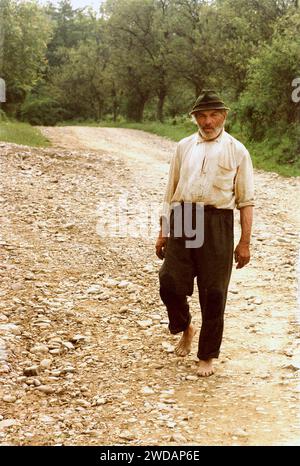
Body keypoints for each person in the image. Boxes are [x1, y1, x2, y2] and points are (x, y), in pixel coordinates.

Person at [155, 89, 254, 377]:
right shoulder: (184, 146)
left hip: (217, 221)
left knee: (213, 292)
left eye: (213, 115)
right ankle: (185, 325)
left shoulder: (237, 150)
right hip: (184, 216)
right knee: (169, 281)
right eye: (202, 115)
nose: (207, 121)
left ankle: (207, 355)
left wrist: (244, 242)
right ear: (194, 118)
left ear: (224, 116)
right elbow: (170, 191)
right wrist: (163, 231)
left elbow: (246, 201)